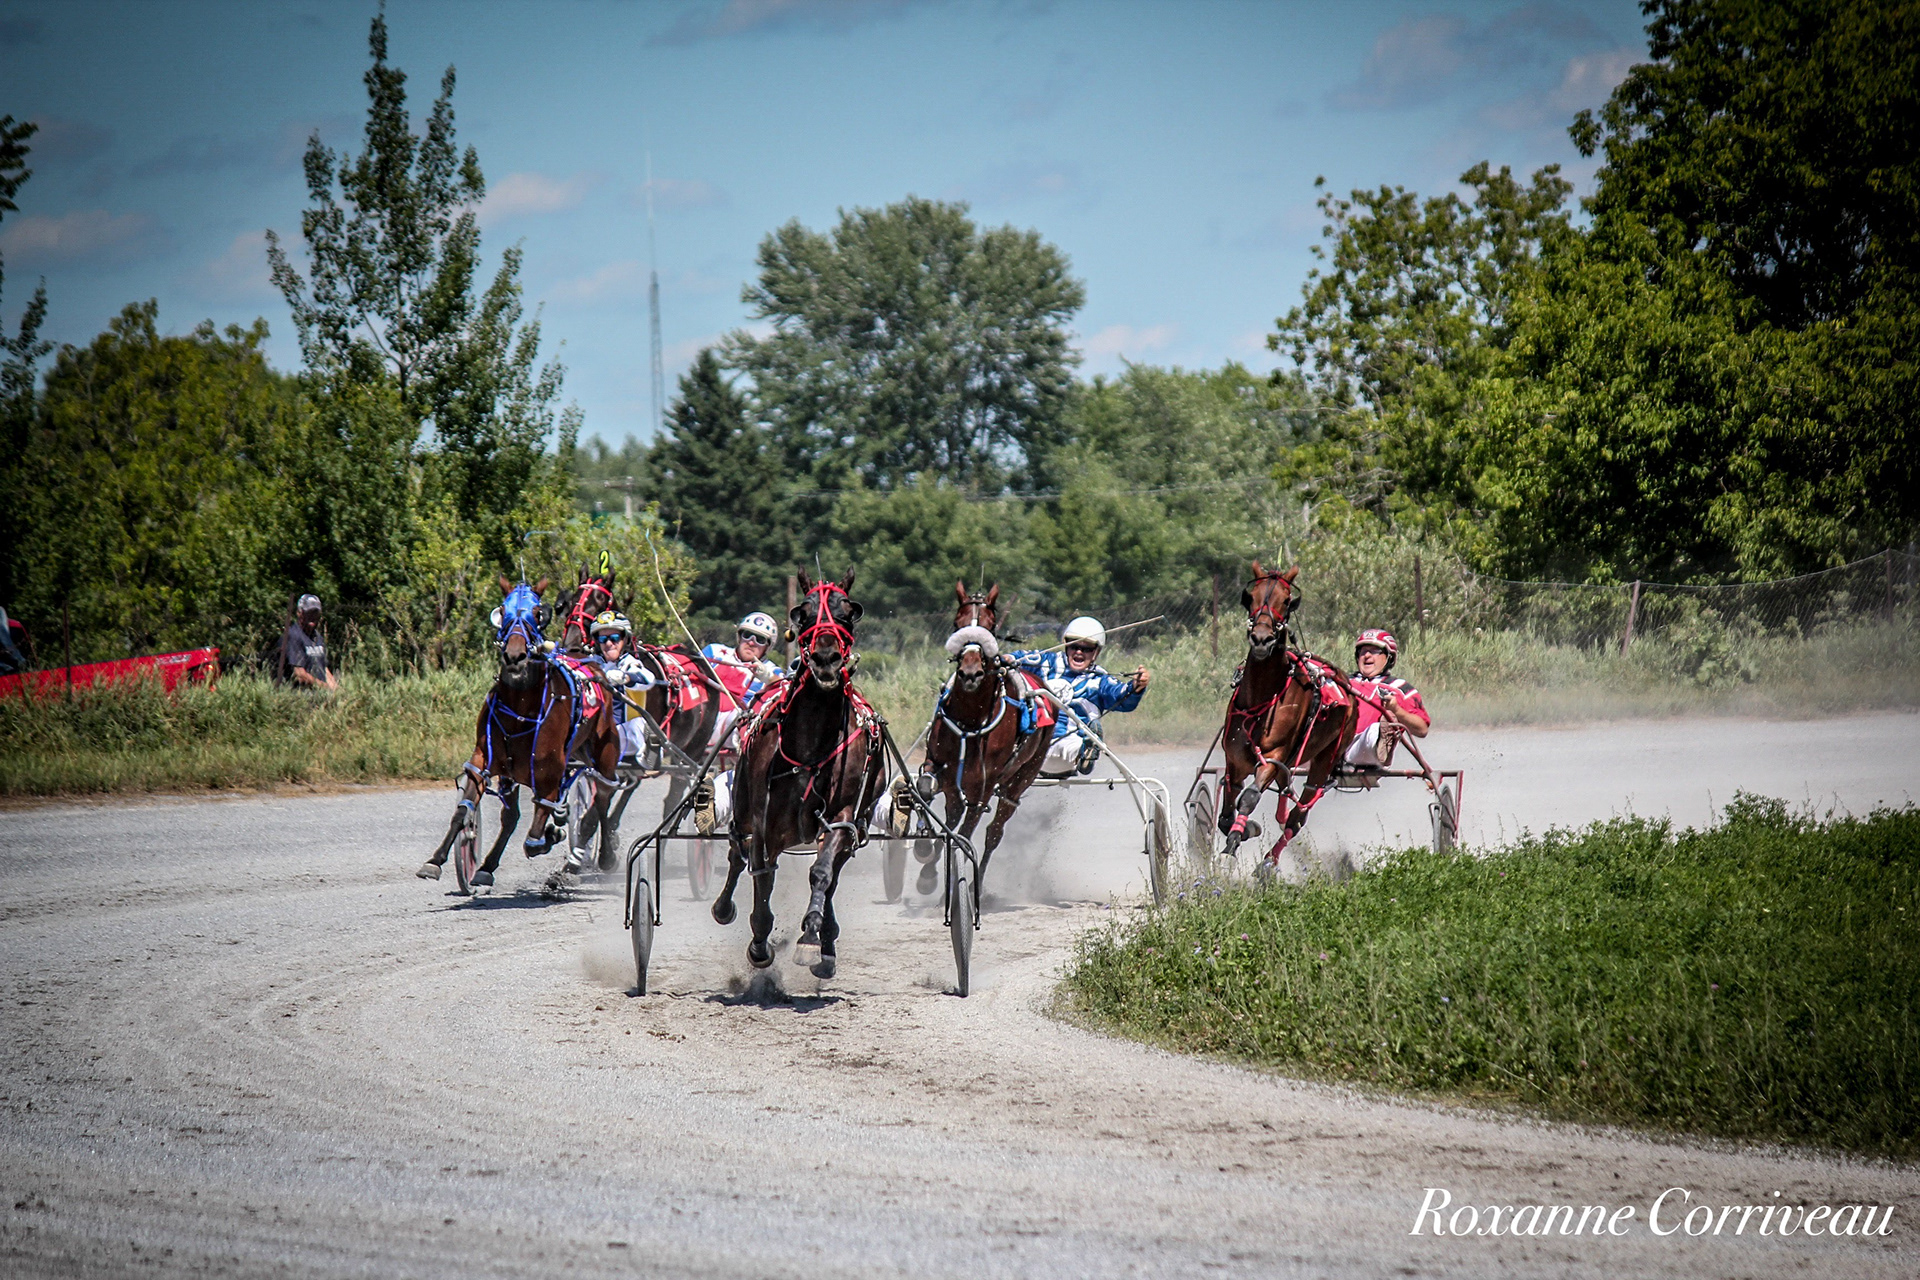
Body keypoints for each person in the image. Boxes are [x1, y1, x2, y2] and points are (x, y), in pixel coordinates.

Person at [1010, 616, 1151, 777]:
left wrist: (1136, 686)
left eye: (1087, 648)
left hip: (1066, 752)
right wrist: (1004, 660)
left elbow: (1122, 696)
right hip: (1030, 745)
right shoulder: (1045, 662)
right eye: (1074, 646)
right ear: (1065, 645)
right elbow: (1015, 658)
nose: (1079, 651)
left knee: (1072, 744)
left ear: (1096, 652)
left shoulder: (1100, 680)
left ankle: (1085, 752)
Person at [691, 611, 785, 834]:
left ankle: (716, 804)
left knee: (741, 716)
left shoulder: (772, 670)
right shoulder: (714, 652)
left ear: (767, 647)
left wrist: (767, 678)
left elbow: (783, 688)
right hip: (701, 720)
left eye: (759, 639)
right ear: (739, 635)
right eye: (747, 635)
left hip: (738, 731)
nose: (751, 642)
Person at [1343, 628, 1430, 768]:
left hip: (1361, 749)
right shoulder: (1342, 682)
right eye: (1363, 651)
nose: (1367, 656)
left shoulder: (1400, 688)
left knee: (1376, 729)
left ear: (1389, 657)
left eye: (1375, 651)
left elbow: (1422, 729)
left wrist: (1396, 710)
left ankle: (1382, 742)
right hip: (1331, 742)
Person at [586, 610, 658, 764]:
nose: (609, 643)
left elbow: (648, 679)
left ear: (624, 639)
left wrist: (626, 678)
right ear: (597, 641)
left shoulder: (630, 663)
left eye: (614, 638)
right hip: (595, 733)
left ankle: (650, 756)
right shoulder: (591, 664)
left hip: (624, 735)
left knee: (639, 724)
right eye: (603, 638)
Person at [281, 594, 337, 691]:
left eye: (315, 612)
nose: (313, 616)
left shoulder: (317, 637)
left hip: (319, 696)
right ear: (299, 613)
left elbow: (324, 668)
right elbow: (299, 674)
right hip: (299, 696)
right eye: (309, 612)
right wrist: (325, 687)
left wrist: (336, 689)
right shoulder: (293, 636)